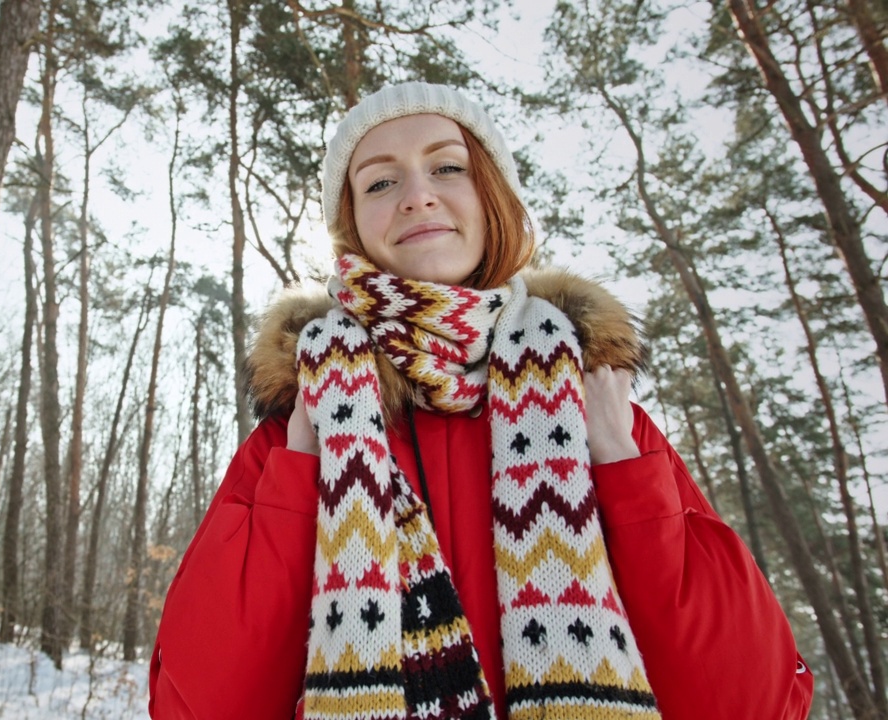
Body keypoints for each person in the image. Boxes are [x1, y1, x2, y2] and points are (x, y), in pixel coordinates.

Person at [148, 82, 813, 720]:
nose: (416, 196)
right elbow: (200, 705)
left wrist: (625, 469)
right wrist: (298, 474)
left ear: (492, 197)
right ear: (353, 227)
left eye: (448, 168)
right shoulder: (298, 431)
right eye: (381, 181)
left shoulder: (597, 408)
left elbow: (752, 702)